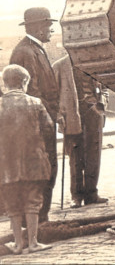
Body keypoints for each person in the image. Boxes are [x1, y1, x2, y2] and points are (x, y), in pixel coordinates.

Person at [9, 7, 60, 223]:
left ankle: (40, 217)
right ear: (38, 27)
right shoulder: (26, 52)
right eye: (48, 25)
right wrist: (50, 115)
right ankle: (38, 219)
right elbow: (32, 92)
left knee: (46, 168)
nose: (51, 29)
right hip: (37, 124)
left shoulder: (33, 49)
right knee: (42, 169)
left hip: (41, 120)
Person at [0, 65, 53, 254]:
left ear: (5, 84)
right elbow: (48, 128)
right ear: (24, 82)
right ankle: (32, 242)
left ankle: (17, 244)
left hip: (5, 166)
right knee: (33, 202)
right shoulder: (36, 103)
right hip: (33, 162)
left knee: (12, 204)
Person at [53, 55, 108, 208]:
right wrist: (58, 115)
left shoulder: (94, 62)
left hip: (94, 114)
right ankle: (76, 196)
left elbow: (105, 89)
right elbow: (53, 94)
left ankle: (92, 194)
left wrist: (101, 104)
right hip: (71, 116)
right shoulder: (59, 66)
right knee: (75, 156)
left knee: (94, 154)